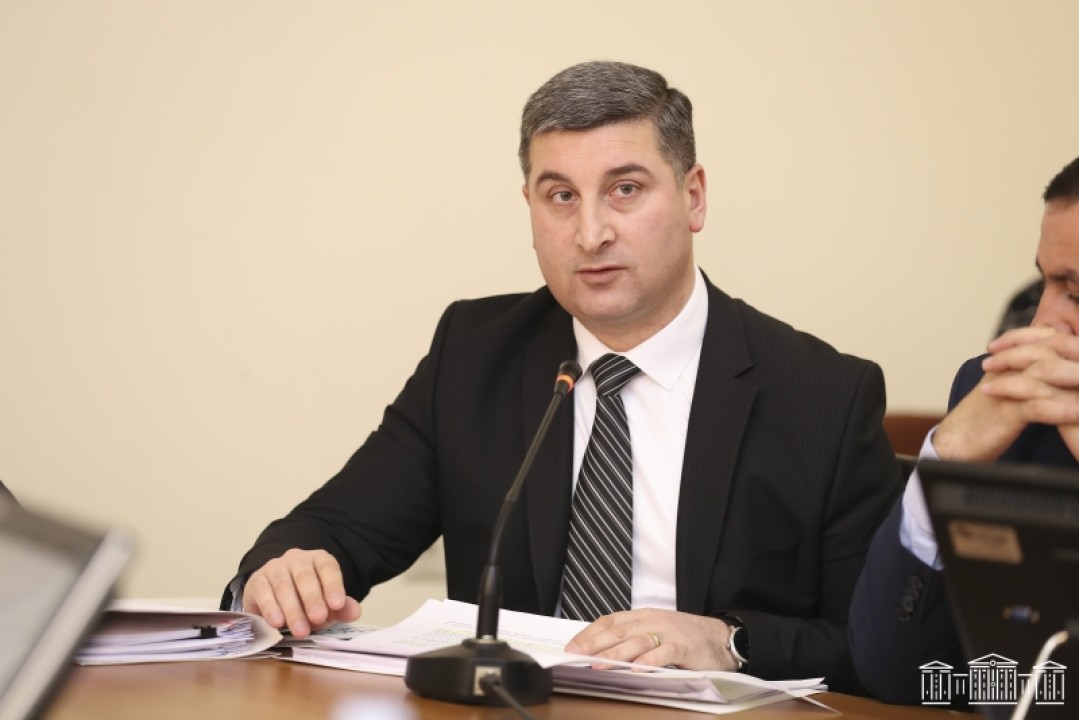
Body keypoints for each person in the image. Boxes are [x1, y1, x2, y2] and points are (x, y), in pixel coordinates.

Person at [224, 60, 901, 692]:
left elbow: (882, 648)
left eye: (625, 190)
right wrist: (285, 571)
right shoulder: (474, 355)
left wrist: (728, 641)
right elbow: (335, 528)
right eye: (560, 197)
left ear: (693, 197)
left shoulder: (824, 396)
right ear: (529, 206)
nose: (590, 233)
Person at [848, 155, 1079, 704]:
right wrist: (944, 466)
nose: (1042, 320)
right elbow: (897, 674)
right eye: (1045, 283)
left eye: (1076, 291)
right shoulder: (1010, 401)